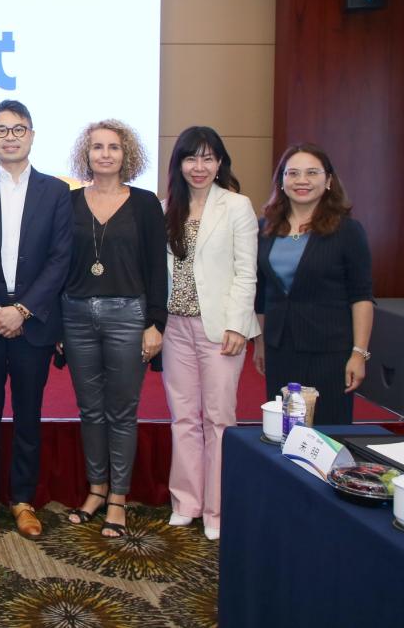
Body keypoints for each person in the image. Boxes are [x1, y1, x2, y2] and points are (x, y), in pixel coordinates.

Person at [0, 99, 71, 539]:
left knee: (28, 415)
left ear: (32, 136)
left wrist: (21, 310)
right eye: (1, 130)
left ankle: (23, 499)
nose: (10, 137)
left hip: (34, 322)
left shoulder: (56, 191)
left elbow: (60, 259)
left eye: (18, 129)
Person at [61, 119, 166, 538]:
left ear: (127, 155)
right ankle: (96, 489)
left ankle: (118, 497)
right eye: (97, 147)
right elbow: (58, 264)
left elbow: (157, 269)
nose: (105, 154)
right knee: (89, 410)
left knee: (121, 411)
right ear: (85, 155)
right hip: (75, 315)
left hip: (128, 315)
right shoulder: (68, 201)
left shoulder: (145, 204)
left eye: (114, 147)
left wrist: (155, 323)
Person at [161, 126, 261, 541]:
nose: (198, 167)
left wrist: (238, 324)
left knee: (219, 419)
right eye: (191, 158)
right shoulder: (166, 208)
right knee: (183, 417)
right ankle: (186, 502)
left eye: (207, 158)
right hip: (175, 328)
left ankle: (217, 509)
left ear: (220, 163)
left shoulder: (237, 206)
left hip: (220, 329)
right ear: (179, 164)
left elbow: (246, 271)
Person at [253, 143, 373, 426]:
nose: (301, 180)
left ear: (328, 180)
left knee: (327, 431)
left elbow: (361, 297)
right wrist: (260, 343)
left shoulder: (347, 231)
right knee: (284, 430)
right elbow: (261, 295)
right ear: (282, 181)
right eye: (293, 173)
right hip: (280, 349)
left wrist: (359, 354)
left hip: (329, 351)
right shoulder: (265, 228)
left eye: (311, 173)